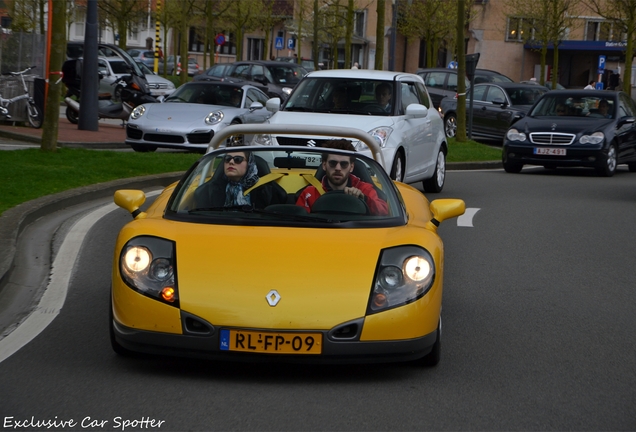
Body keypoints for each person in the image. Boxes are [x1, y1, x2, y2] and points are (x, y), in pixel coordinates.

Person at [296, 140, 389, 216]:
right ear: (324, 165)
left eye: (344, 164)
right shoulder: (310, 192)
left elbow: (384, 212)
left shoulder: (365, 189)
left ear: (351, 167)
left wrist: (364, 199)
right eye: (333, 163)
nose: (338, 168)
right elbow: (298, 222)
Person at [194, 150, 284, 209]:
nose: (231, 162)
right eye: (227, 158)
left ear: (249, 164)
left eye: (238, 159)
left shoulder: (267, 190)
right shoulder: (210, 189)